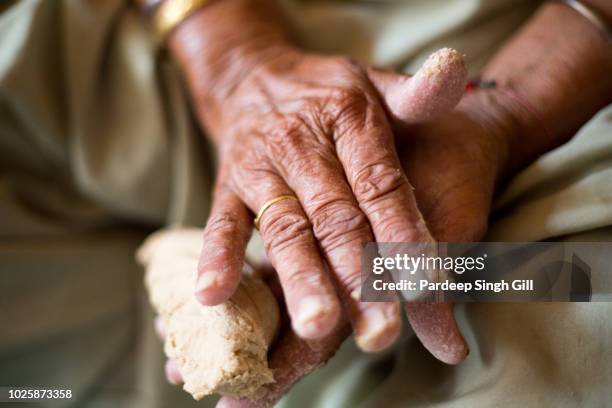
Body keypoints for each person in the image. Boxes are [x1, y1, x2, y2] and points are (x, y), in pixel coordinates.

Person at [0, 0, 611, 407]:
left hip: (515, 72)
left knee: (581, 304)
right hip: (173, 39)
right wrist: (233, 62)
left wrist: (499, 116)